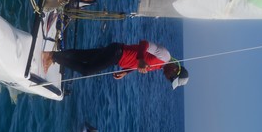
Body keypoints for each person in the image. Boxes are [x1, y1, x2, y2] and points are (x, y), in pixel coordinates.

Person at [42, 40, 189, 89]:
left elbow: (138, 63)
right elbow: (144, 43)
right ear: (175, 69)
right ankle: (53, 56)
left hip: (117, 57)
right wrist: (141, 60)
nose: (168, 78)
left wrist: (126, 72)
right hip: (117, 52)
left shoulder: (161, 67)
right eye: (171, 78)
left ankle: (54, 55)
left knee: (84, 55)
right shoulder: (165, 56)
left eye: (170, 80)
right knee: (86, 70)